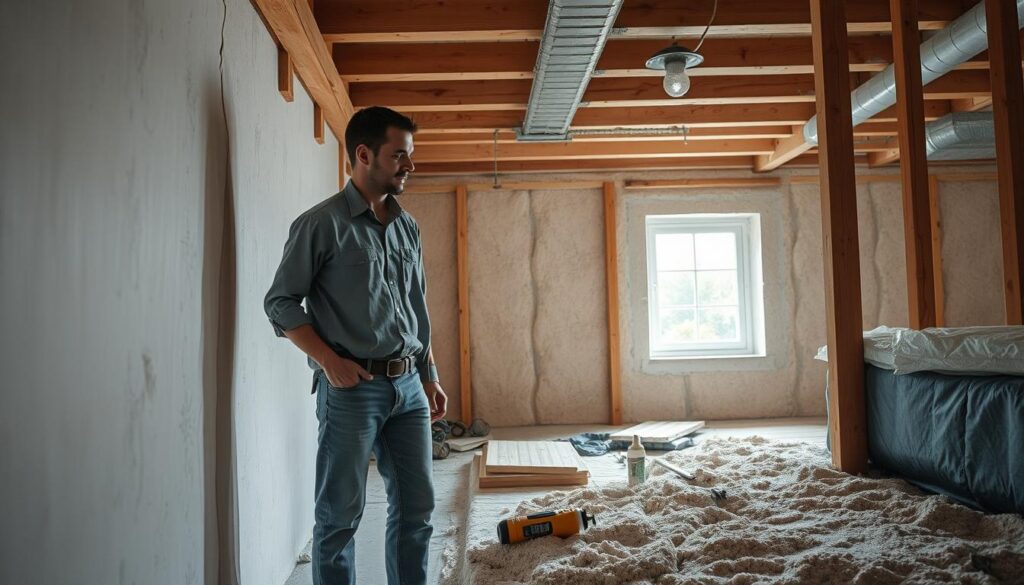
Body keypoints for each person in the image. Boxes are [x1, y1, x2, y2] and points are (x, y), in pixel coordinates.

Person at [264, 106, 447, 585]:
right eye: (399, 156)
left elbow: (417, 306)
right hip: (351, 391)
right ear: (364, 155)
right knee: (338, 519)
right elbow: (280, 303)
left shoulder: (407, 227)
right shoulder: (320, 225)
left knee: (417, 512)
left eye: (410, 155)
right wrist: (327, 361)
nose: (409, 165)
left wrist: (429, 375)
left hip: (409, 388)